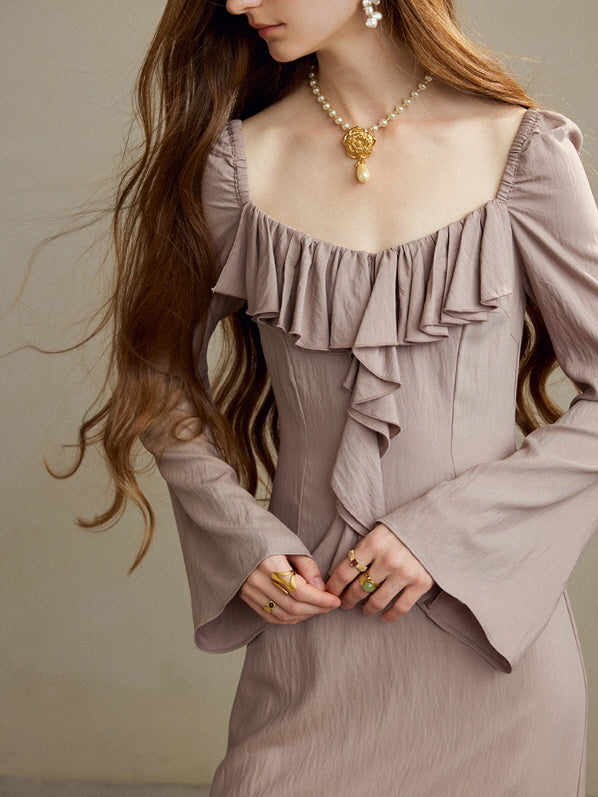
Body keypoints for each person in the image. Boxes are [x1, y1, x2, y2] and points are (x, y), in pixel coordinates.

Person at [63, 0, 598, 794]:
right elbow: (155, 372)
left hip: (492, 664)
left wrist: (445, 532)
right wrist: (241, 534)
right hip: (311, 653)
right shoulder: (238, 163)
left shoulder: (519, 152)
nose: (237, 2)